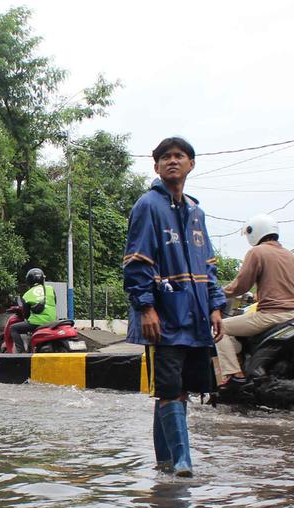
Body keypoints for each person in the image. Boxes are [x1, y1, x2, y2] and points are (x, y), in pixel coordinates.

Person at [123, 137, 226, 477]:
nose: (172, 161)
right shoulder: (147, 206)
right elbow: (136, 262)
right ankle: (183, 460)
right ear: (155, 167)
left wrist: (215, 305)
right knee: (169, 387)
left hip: (195, 317)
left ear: (191, 164)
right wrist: (146, 308)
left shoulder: (196, 211)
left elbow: (208, 265)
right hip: (165, 316)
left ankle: (164, 462)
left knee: (179, 391)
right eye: (165, 157)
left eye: (179, 156)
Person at [214, 214, 294, 385]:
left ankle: (233, 375)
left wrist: (218, 293)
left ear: (255, 232)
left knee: (219, 329)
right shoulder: (289, 255)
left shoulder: (257, 252)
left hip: (270, 315)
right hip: (293, 314)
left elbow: (241, 285)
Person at [9, 268, 58, 353]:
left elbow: (26, 315)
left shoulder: (27, 295)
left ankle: (21, 352)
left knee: (13, 328)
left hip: (36, 323)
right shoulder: (50, 289)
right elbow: (55, 302)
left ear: (29, 281)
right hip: (52, 321)